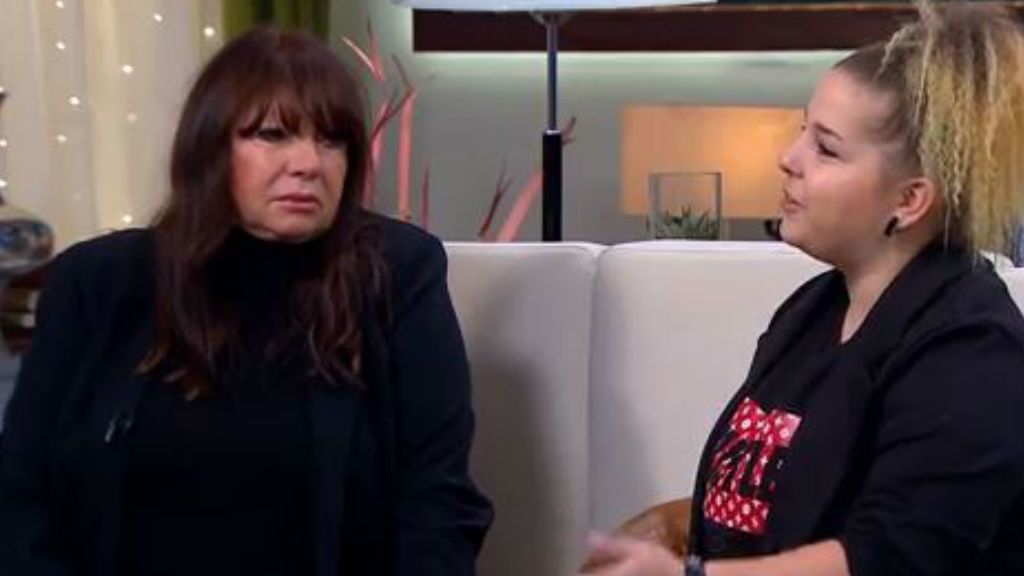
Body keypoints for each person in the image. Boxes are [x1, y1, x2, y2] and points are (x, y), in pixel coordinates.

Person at [0, 27, 492, 576]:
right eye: (273, 134)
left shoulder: (398, 274)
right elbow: (18, 495)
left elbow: (438, 502)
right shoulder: (98, 282)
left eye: (332, 141)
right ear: (210, 150)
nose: (309, 163)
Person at [581, 2, 1024, 575]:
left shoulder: (972, 350)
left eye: (827, 148)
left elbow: (888, 559)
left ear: (909, 199)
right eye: (801, 133)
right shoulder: (812, 310)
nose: (788, 160)